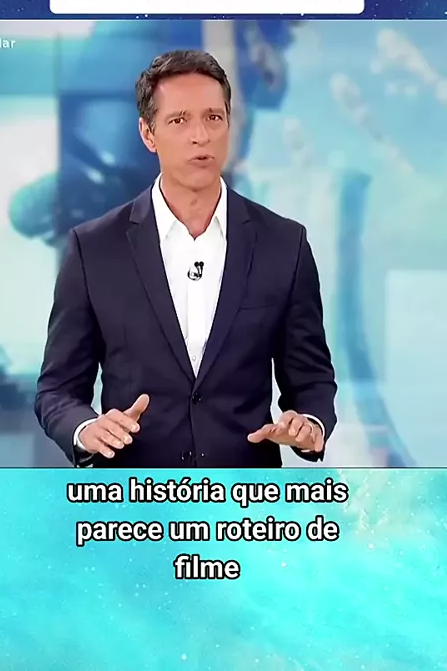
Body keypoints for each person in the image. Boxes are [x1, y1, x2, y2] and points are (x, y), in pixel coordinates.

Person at [35, 49, 337, 468]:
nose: (201, 136)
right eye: (179, 121)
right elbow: (57, 390)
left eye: (214, 118)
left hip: (246, 497)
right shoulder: (95, 249)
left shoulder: (285, 243)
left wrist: (309, 424)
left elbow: (312, 380)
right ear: (148, 133)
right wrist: (86, 429)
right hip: (133, 495)